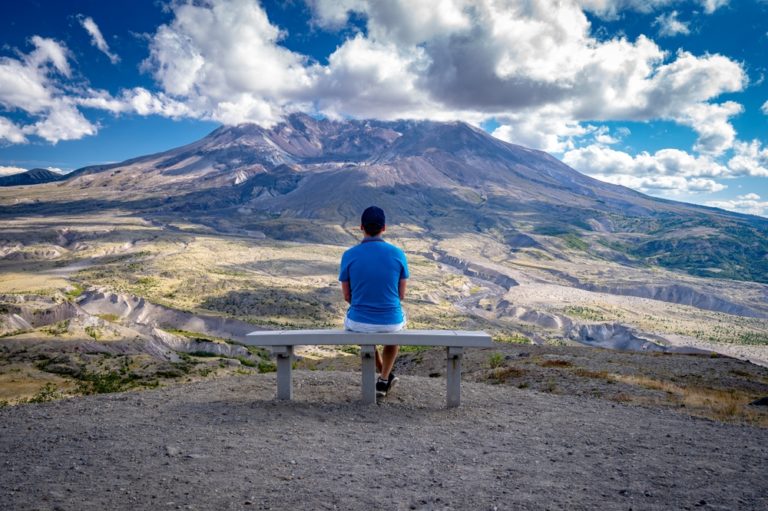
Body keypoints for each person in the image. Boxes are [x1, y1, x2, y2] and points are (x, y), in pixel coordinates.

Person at [339, 206, 409, 397]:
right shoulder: (398, 254)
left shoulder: (349, 255)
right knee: (395, 331)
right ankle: (384, 379)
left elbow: (347, 296)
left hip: (359, 322)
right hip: (391, 322)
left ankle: (382, 371)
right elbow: (401, 295)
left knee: (362, 328)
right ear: (384, 228)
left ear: (361, 227)